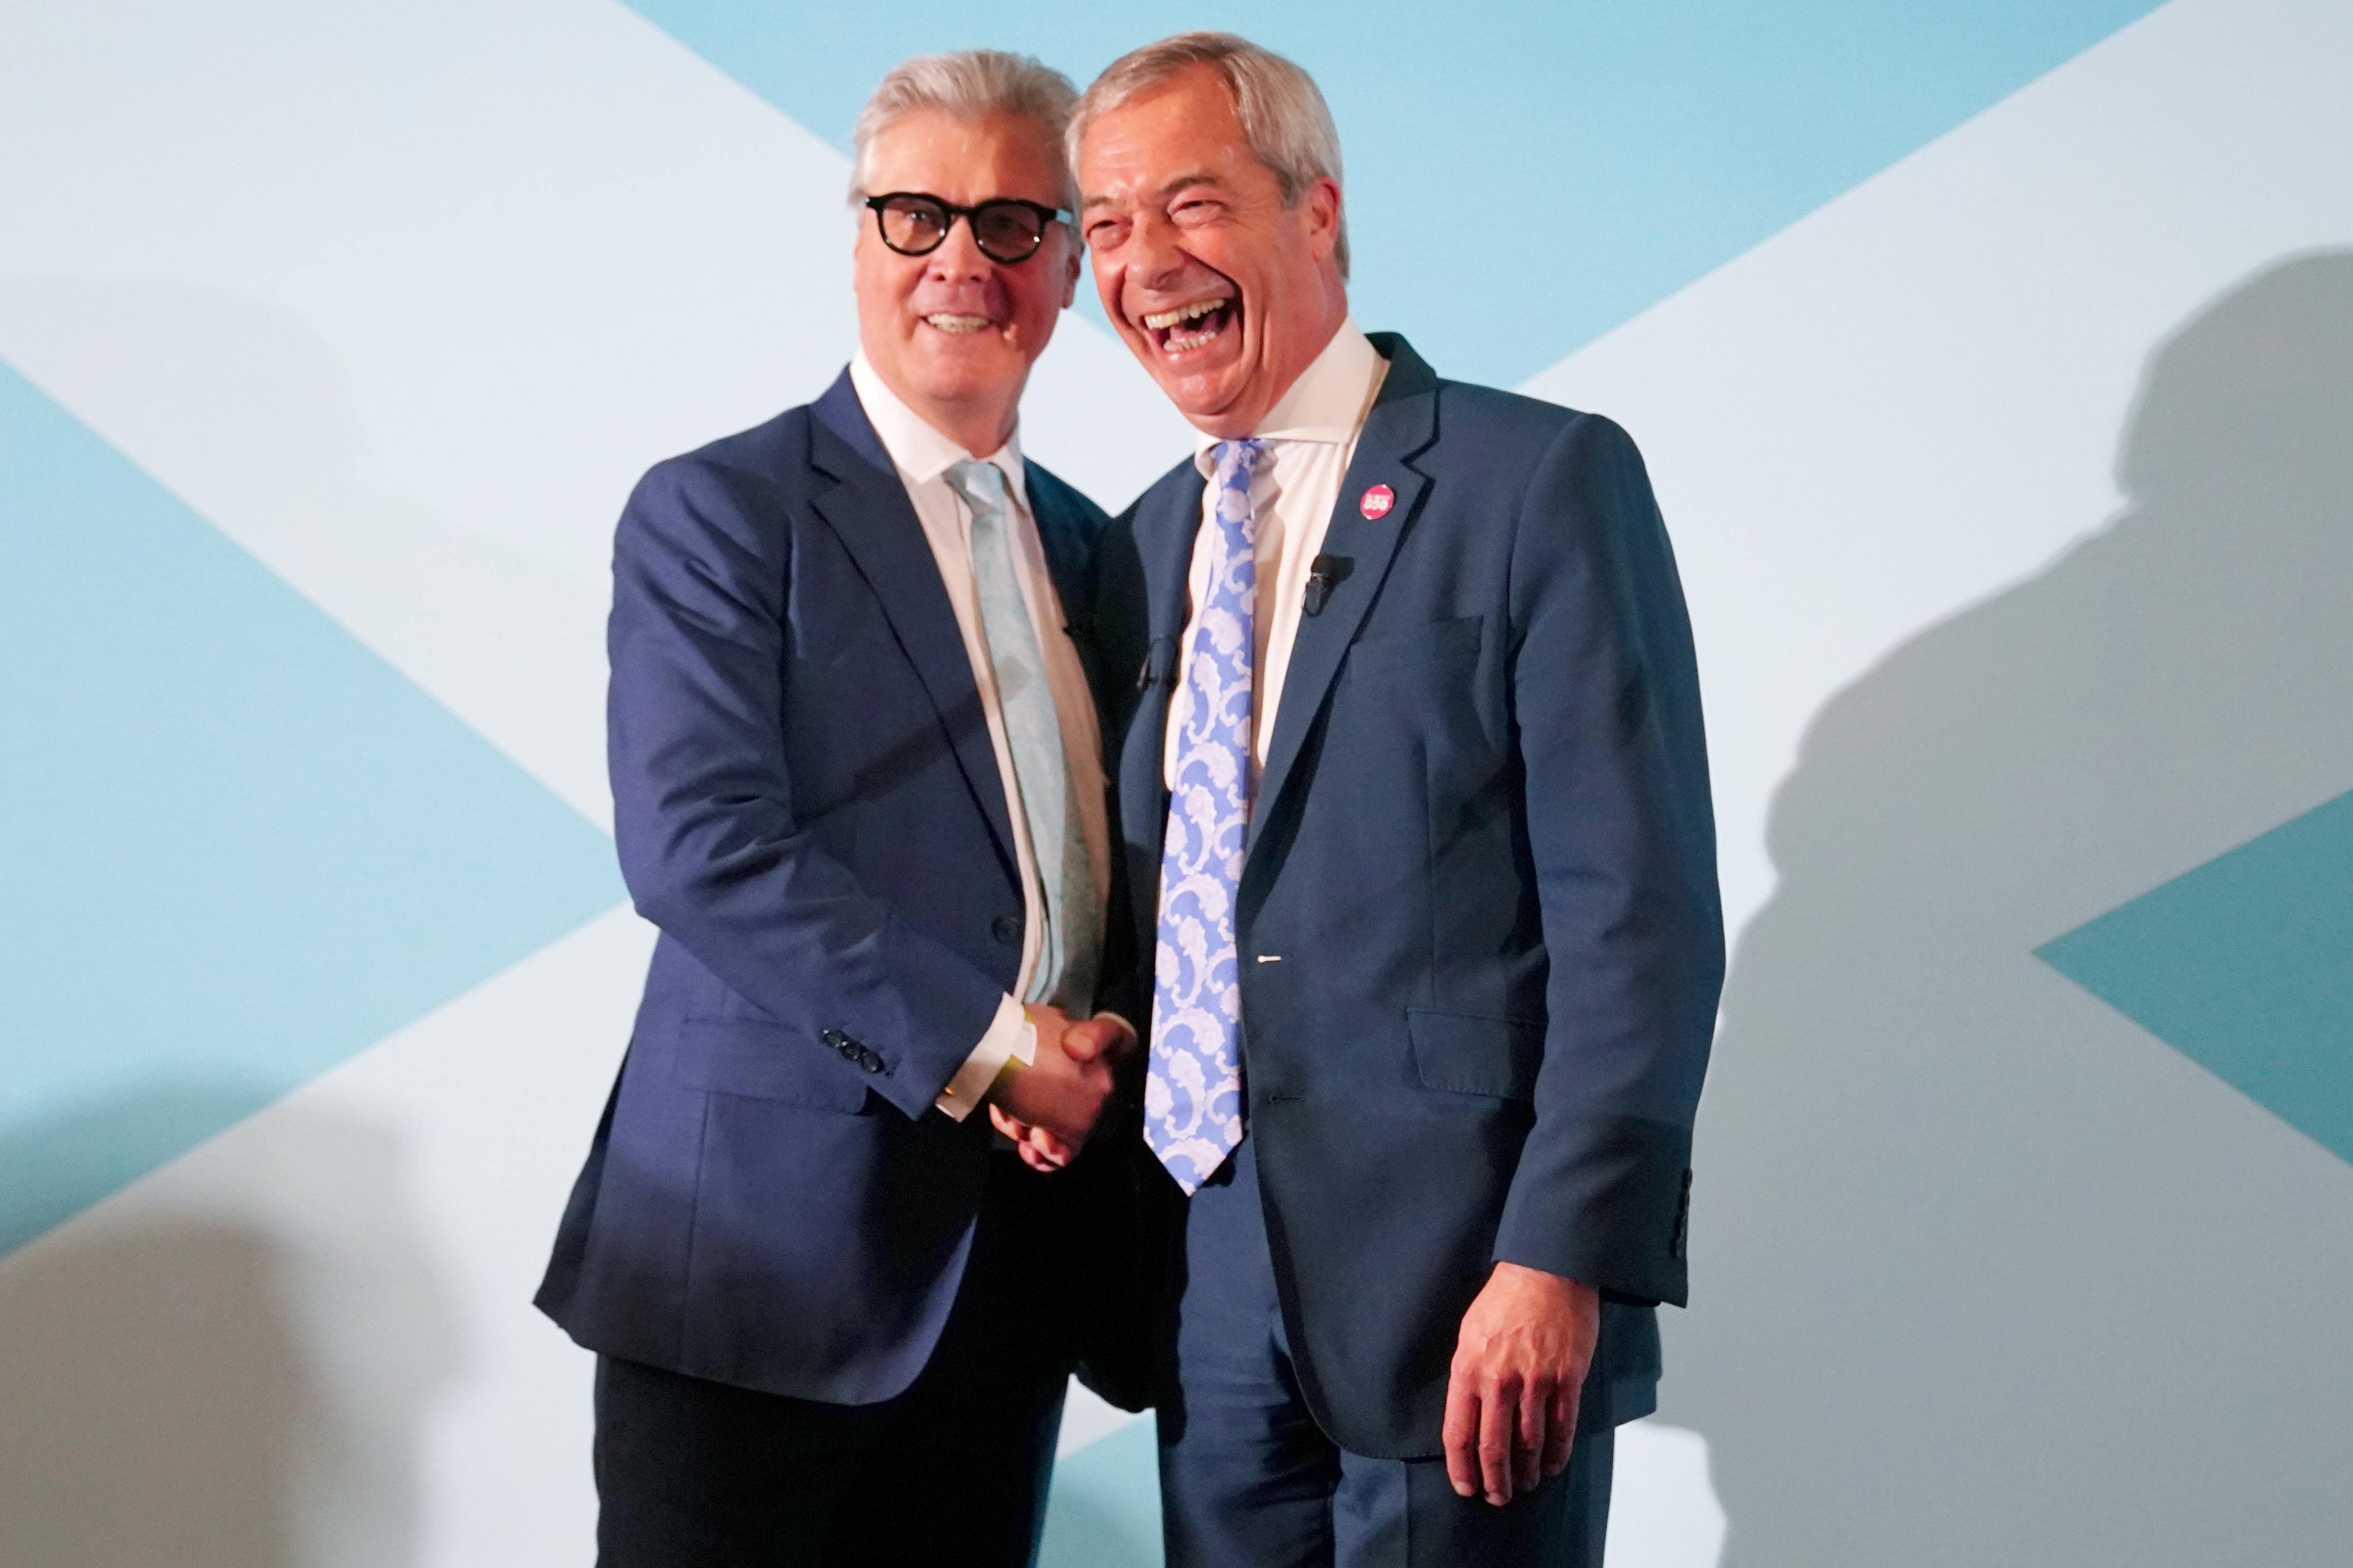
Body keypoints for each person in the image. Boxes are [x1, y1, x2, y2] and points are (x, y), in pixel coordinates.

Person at [1068, 32, 1723, 1566]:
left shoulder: (1536, 482)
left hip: (1469, 1291)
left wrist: (1563, 1251)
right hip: (1209, 1289)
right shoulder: (1139, 547)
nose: (1146, 262)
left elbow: (1638, 916)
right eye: (1105, 225)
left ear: (1317, 211)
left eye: (1190, 204)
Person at [533, 49, 1143, 1567]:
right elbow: (699, 849)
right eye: (916, 213)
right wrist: (1005, 1052)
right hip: (758, 1271)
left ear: (1069, 263)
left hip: (1010, 1269)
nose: (960, 259)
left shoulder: (1097, 549)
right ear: (858, 240)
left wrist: (1094, 1048)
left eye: (1012, 223)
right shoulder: (722, 511)